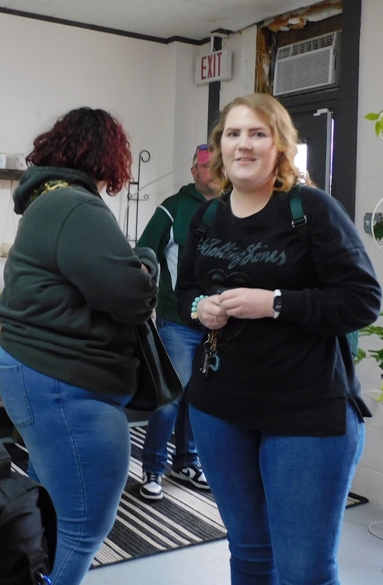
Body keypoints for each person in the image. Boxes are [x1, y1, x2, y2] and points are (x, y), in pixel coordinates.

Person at [176, 93, 382, 585]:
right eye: (233, 134)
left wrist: (274, 303)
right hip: (219, 409)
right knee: (249, 557)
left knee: (303, 572)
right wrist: (199, 308)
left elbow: (362, 300)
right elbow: (183, 291)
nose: (243, 144)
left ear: (280, 146)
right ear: (219, 147)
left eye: (257, 133)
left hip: (305, 413)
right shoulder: (206, 218)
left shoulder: (311, 210)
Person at [0, 107, 159, 585]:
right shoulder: (76, 206)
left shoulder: (45, 199)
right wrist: (147, 262)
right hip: (66, 382)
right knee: (83, 526)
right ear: (108, 155)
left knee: (49, 513)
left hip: (36, 373)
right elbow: (131, 298)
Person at [135, 144, 218, 501]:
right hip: (178, 323)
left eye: (218, 165)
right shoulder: (173, 209)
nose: (213, 172)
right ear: (194, 171)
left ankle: (186, 463)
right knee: (170, 398)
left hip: (218, 327)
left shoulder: (232, 209)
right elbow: (143, 254)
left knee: (199, 399)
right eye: (206, 166)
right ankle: (153, 467)